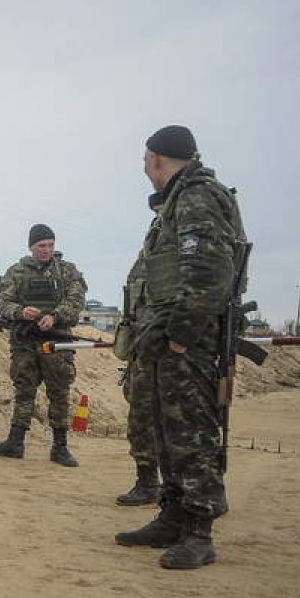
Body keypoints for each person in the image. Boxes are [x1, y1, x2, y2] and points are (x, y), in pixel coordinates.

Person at [115, 125, 247, 569]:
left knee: (191, 433)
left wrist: (178, 335)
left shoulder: (197, 195)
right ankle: (172, 515)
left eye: (145, 162)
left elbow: (210, 271)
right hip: (166, 335)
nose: (146, 171)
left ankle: (199, 530)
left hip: (186, 340)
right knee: (167, 431)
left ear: (155, 159)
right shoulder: (178, 200)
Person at [0, 224, 87, 466]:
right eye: (42, 245)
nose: (47, 250)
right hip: (25, 342)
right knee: (24, 391)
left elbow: (76, 300)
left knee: (59, 393)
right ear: (31, 246)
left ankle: (60, 447)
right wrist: (21, 312)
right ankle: (15, 443)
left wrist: (56, 316)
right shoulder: (17, 272)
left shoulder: (67, 272)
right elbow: (5, 302)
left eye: (51, 245)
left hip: (57, 343)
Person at [114, 193, 165, 506]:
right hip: (143, 346)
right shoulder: (149, 253)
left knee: (180, 422)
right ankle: (147, 481)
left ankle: (198, 491)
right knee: (141, 417)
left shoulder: (179, 249)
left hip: (171, 346)